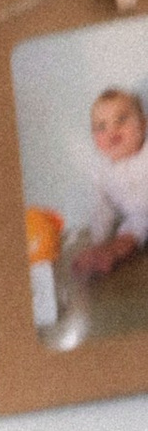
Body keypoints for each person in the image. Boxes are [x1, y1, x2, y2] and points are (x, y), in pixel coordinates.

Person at [70, 86, 148, 283]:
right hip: (140, 219)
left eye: (121, 119)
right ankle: (105, 254)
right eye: (101, 127)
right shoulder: (103, 172)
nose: (112, 130)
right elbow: (102, 208)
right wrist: (99, 240)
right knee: (127, 236)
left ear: (143, 124)